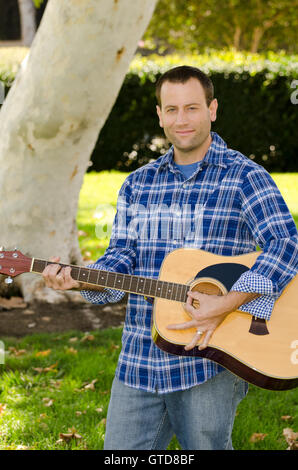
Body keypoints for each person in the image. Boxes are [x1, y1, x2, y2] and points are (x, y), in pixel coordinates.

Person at [42, 66, 298, 450]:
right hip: (140, 357)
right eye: (172, 109)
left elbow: (285, 243)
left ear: (212, 109)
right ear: (159, 115)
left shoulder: (245, 177)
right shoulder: (137, 184)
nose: (182, 119)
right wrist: (82, 278)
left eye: (192, 108)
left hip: (210, 358)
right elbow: (121, 259)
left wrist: (228, 300)